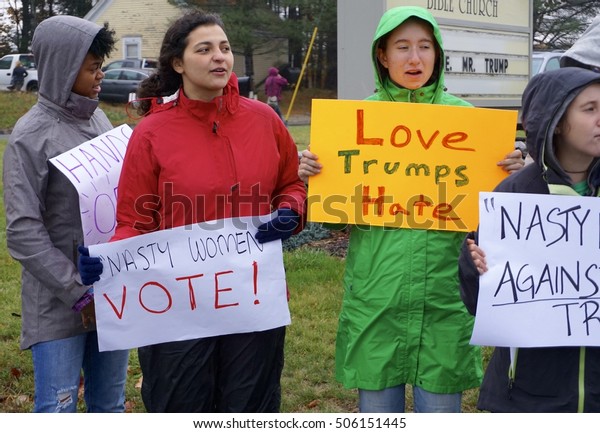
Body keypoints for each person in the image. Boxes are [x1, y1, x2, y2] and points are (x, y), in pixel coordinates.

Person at [298, 6, 525, 413]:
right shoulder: (355, 124)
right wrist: (316, 172)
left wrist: (512, 176)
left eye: (424, 47)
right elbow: (340, 204)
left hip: (444, 291)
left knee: (439, 408)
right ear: (382, 56)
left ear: (437, 55)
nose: (414, 58)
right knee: (377, 409)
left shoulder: (468, 122)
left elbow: (495, 212)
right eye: (402, 47)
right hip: (377, 290)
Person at [78, 10, 306, 412]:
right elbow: (134, 219)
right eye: (205, 49)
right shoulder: (151, 133)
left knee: (249, 407)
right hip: (177, 308)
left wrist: (290, 211)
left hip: (254, 302)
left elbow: (291, 184)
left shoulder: (265, 120)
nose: (220, 57)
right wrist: (108, 260)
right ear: (178, 64)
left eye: (225, 48)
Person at [2, 16, 129, 413]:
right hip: (58, 304)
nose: (100, 76)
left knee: (109, 404)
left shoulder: (99, 117)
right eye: (92, 68)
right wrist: (78, 293)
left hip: (110, 294)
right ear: (63, 68)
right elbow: (23, 231)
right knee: (58, 408)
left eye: (100, 67)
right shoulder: (30, 135)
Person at [458, 67, 600, 412]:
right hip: (527, 395)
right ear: (557, 120)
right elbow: (479, 303)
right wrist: (478, 270)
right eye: (590, 109)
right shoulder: (514, 194)